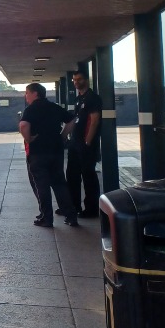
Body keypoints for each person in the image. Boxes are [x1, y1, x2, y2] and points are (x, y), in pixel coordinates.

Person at [19, 83, 78, 228]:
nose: (25, 96)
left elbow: (23, 126)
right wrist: (63, 135)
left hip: (38, 153)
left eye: (27, 93)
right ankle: (71, 215)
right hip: (56, 151)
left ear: (35, 93)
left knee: (41, 186)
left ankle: (46, 217)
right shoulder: (54, 107)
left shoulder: (31, 109)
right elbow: (71, 120)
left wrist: (28, 139)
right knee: (59, 183)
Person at [66, 71, 102, 219]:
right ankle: (74, 207)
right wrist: (64, 136)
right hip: (75, 143)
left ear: (86, 80)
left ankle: (92, 209)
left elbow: (94, 120)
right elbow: (75, 120)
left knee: (88, 176)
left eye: (79, 79)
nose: (76, 82)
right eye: (74, 80)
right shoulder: (78, 99)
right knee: (72, 175)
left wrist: (88, 141)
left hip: (86, 145)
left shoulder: (93, 98)